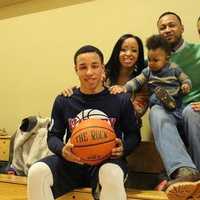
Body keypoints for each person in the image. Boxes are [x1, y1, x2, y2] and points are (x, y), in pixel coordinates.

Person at [27, 45, 141, 200]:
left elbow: (134, 135)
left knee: (112, 174)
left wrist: (124, 148)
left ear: (103, 68)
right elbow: (53, 136)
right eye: (83, 67)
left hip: (106, 161)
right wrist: (62, 150)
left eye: (94, 66)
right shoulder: (64, 100)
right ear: (76, 70)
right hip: (72, 162)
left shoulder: (119, 99)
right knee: (37, 172)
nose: (89, 72)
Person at [149, 11, 200, 199]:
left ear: (182, 28)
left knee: (191, 111)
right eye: (162, 27)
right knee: (155, 110)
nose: (167, 30)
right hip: (171, 113)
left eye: (172, 25)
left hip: (194, 112)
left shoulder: (198, 50)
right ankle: (184, 171)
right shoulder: (156, 60)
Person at [62, 34, 148, 122]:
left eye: (134, 50)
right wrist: (72, 91)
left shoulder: (143, 78)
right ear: (116, 51)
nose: (128, 54)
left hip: (125, 124)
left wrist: (122, 101)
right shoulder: (105, 73)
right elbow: (88, 86)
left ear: (139, 54)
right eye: (123, 50)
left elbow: (138, 111)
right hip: (93, 120)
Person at [110, 34, 192, 113]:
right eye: (149, 59)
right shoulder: (147, 71)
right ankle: (166, 101)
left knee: (177, 98)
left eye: (155, 60)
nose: (151, 63)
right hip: (158, 98)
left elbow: (185, 78)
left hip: (174, 97)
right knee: (153, 97)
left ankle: (170, 102)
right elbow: (136, 81)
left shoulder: (174, 68)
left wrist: (186, 84)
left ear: (167, 59)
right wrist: (125, 88)